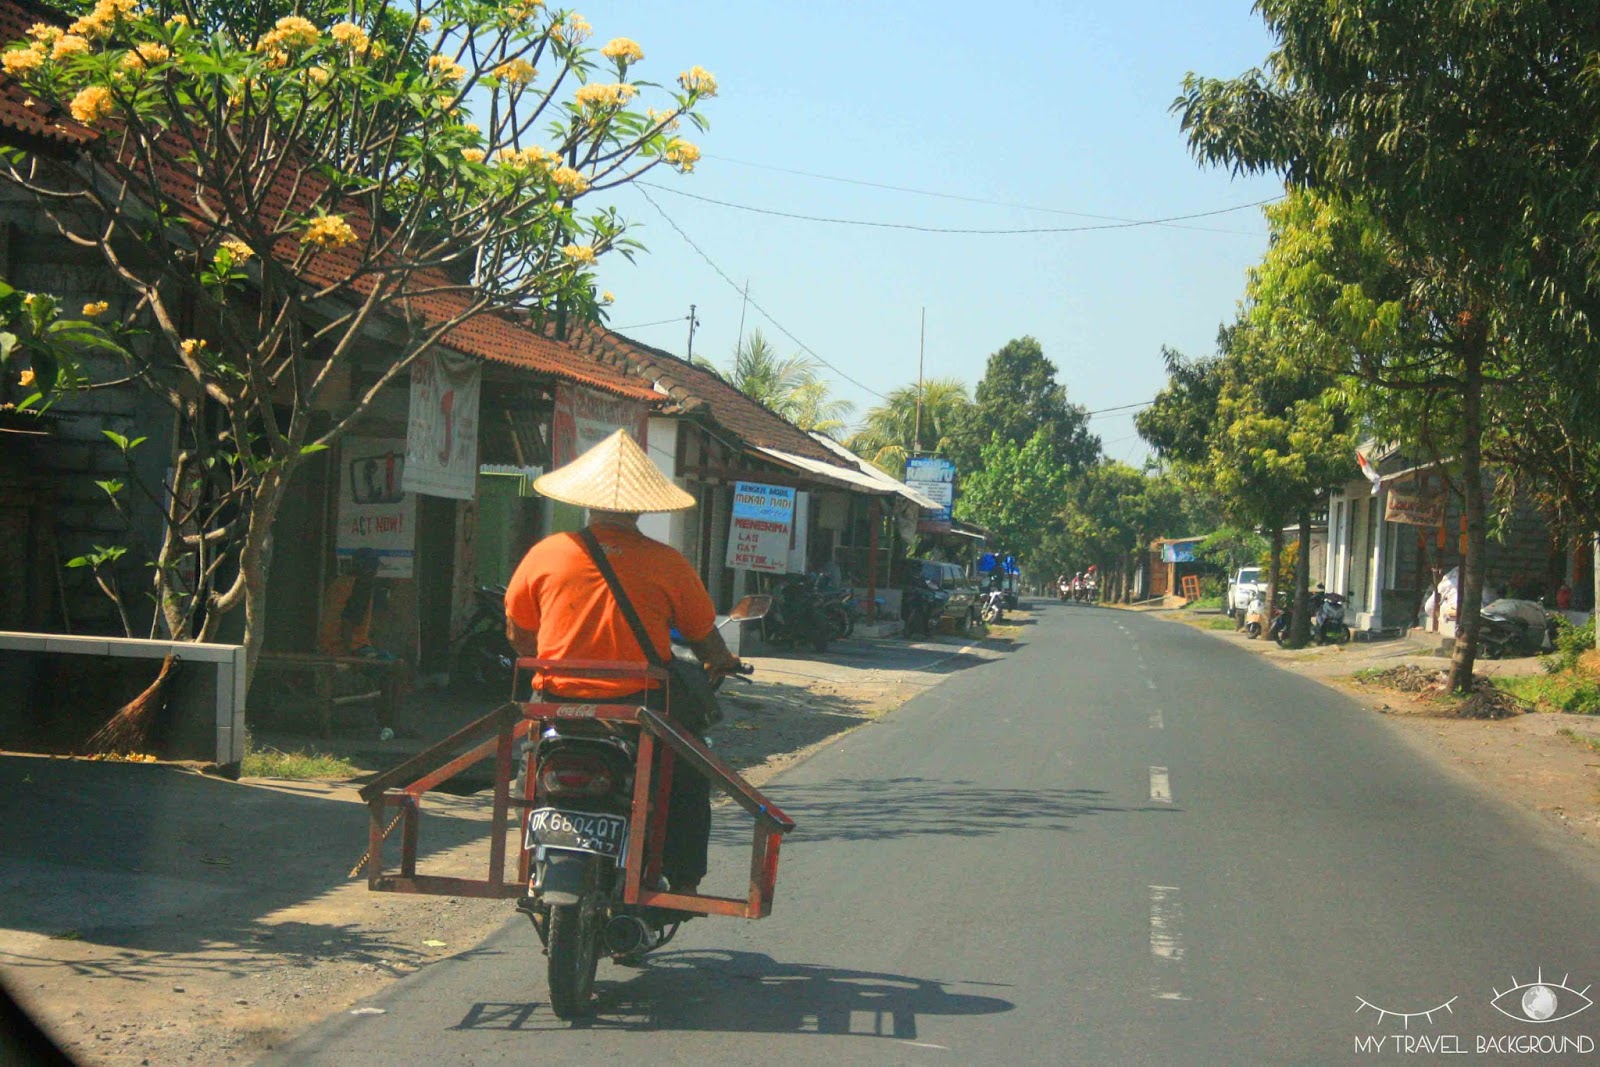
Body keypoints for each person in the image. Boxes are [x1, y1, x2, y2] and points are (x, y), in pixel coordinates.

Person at [503, 429, 741, 896]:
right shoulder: (668, 562)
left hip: (554, 702)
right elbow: (703, 636)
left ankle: (534, 854)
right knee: (690, 778)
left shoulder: (546, 553)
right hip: (640, 709)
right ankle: (684, 880)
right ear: (641, 507)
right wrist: (721, 660)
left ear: (589, 504)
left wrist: (552, 664)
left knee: (527, 772)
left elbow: (517, 633)